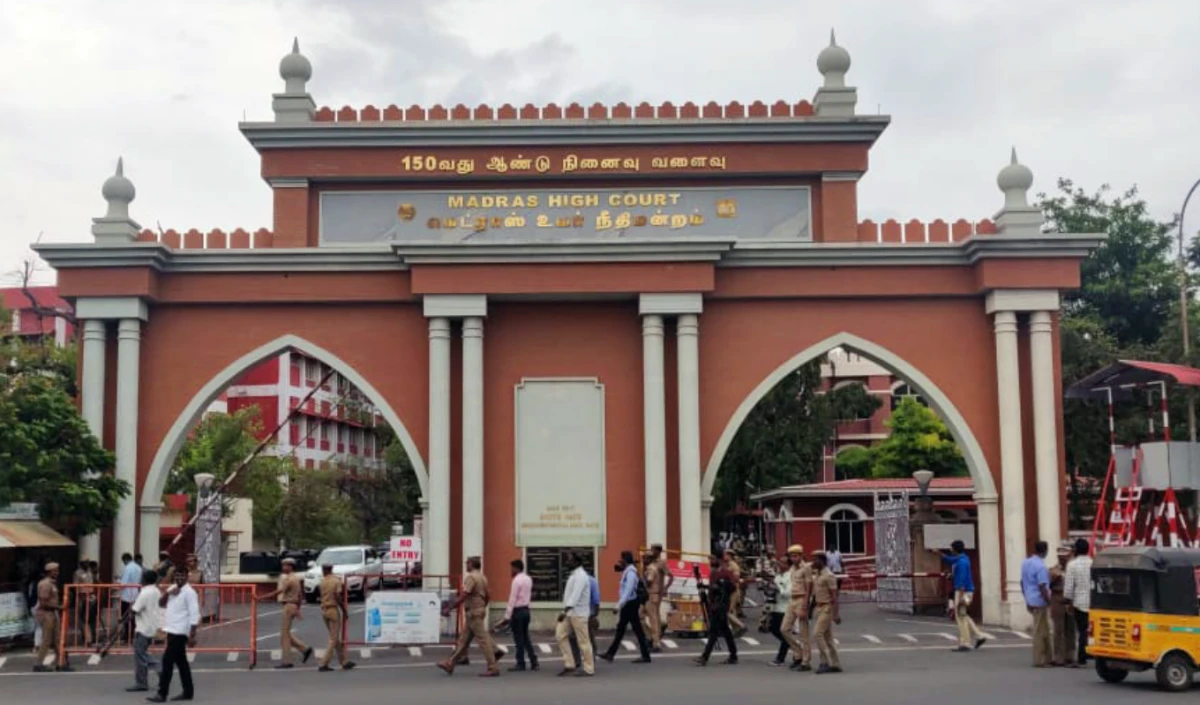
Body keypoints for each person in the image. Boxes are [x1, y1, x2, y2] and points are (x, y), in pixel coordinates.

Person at [438, 556, 501, 677]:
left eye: (467, 563)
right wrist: (482, 607)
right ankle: (450, 663)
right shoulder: (483, 577)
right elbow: (488, 595)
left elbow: (464, 595)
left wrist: (450, 607)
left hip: (473, 612)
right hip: (478, 610)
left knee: (483, 640)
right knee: (463, 640)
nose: (466, 565)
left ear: (471, 564)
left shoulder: (471, 577)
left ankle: (493, 666)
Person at [149, 569, 198, 702]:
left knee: (167, 661)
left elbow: (194, 614)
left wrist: (192, 635)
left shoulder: (190, 593)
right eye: (177, 575)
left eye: (182, 575)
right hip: (171, 630)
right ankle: (188, 692)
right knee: (182, 663)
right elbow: (161, 603)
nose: (180, 578)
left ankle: (162, 693)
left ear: (187, 577)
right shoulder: (173, 588)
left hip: (180, 631)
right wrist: (168, 592)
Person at [258, 557, 312, 668]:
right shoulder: (296, 578)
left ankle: (287, 661)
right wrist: (297, 609)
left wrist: (261, 597)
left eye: (285, 565)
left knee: (284, 636)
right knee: (286, 633)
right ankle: (304, 649)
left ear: (290, 567)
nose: (283, 568)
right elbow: (300, 595)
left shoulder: (289, 579)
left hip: (288, 606)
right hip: (292, 606)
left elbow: (279, 591)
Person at [601, 550, 651, 663]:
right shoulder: (628, 571)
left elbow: (628, 591)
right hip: (629, 604)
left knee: (631, 630)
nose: (620, 561)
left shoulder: (631, 573)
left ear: (625, 560)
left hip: (630, 604)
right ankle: (611, 653)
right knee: (625, 630)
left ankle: (645, 655)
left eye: (621, 559)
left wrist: (619, 605)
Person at [940, 540, 985, 652]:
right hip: (967, 591)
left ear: (955, 550)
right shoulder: (963, 559)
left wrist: (959, 598)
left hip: (962, 592)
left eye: (952, 549)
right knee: (963, 614)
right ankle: (979, 636)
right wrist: (939, 554)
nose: (951, 551)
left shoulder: (960, 563)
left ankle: (965, 642)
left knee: (960, 617)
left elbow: (960, 582)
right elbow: (949, 560)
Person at [555, 553, 595, 677]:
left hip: (579, 614)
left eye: (570, 561)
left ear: (577, 562)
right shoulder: (574, 575)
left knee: (583, 642)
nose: (567, 563)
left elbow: (575, 596)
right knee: (560, 635)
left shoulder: (581, 576)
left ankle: (589, 668)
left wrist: (564, 611)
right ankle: (570, 664)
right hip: (570, 613)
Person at [694, 554, 738, 666]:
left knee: (713, 631)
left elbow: (732, 588)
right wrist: (704, 587)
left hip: (721, 605)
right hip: (714, 604)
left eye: (712, 559)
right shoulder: (714, 572)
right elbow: (713, 588)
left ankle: (705, 657)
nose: (710, 561)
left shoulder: (724, 572)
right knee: (726, 631)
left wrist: (721, 588)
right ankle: (733, 655)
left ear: (718, 560)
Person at [495, 559, 536, 672]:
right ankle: (534, 661)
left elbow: (512, 599)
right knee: (526, 637)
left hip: (517, 611)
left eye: (512, 568)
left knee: (518, 638)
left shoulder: (516, 581)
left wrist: (507, 617)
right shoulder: (528, 579)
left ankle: (520, 663)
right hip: (526, 610)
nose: (511, 570)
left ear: (516, 568)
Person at [128, 569, 162, 693]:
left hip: (143, 627)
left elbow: (135, 609)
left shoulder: (145, 593)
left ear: (145, 579)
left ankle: (158, 669)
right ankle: (141, 682)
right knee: (140, 654)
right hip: (151, 625)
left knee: (140, 654)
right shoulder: (156, 591)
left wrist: (128, 614)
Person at [316, 564, 355, 672]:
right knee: (333, 639)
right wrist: (344, 609)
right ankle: (323, 663)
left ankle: (344, 662)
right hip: (333, 609)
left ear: (325, 570)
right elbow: (338, 596)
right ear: (331, 570)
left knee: (335, 637)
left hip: (324, 610)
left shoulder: (322, 581)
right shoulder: (336, 580)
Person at [33, 562, 70, 672]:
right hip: (46, 613)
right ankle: (38, 664)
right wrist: (59, 606)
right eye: (55, 571)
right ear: (49, 572)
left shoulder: (52, 583)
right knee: (47, 640)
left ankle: (61, 663)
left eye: (57, 570)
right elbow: (43, 602)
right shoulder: (46, 584)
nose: (57, 572)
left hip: (52, 613)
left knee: (57, 640)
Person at [1021, 541, 1053, 667]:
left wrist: (1026, 597)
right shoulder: (1041, 567)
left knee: (1044, 629)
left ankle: (1048, 657)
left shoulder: (1025, 563)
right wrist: (1049, 601)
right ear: (1045, 550)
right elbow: (1042, 586)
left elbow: (1021, 582)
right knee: (1039, 631)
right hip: (1040, 601)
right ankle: (1039, 659)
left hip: (1030, 599)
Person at [781, 544, 812, 671]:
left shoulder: (806, 568)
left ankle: (805, 661)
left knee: (803, 633)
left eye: (795, 556)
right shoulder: (792, 569)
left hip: (801, 599)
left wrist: (805, 606)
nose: (793, 558)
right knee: (784, 629)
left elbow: (809, 588)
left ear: (801, 556)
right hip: (792, 600)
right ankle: (798, 653)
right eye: (791, 556)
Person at [810, 551, 842, 674]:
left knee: (817, 633)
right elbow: (815, 595)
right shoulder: (818, 574)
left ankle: (825, 662)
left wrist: (836, 614)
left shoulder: (828, 575)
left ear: (822, 561)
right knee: (828, 638)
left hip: (827, 608)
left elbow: (834, 596)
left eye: (816, 559)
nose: (813, 562)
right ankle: (836, 663)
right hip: (819, 607)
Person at [1062, 538, 1092, 668]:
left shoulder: (1072, 565)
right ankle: (1089, 652)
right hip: (1092, 601)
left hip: (1079, 602)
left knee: (1082, 630)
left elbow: (1069, 585)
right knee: (1090, 629)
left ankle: (1082, 656)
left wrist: (1067, 601)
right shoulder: (1093, 563)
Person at [641, 544, 673, 652]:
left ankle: (656, 641)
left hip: (654, 593)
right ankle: (653, 637)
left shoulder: (660, 563)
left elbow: (670, 576)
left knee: (654, 618)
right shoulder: (650, 565)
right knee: (642, 616)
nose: (652, 552)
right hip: (648, 594)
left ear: (658, 551)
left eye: (653, 550)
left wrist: (665, 588)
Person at [1049, 546, 1076, 667]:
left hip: (1070, 599)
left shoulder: (1072, 569)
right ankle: (1058, 657)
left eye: (1064, 556)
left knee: (1070, 629)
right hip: (1057, 598)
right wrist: (1054, 578)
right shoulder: (1053, 570)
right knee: (1058, 629)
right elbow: (1048, 585)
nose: (1062, 559)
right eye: (1060, 557)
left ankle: (1070, 655)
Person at [767, 556, 794, 666]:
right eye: (779, 562)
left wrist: (778, 588)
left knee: (783, 632)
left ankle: (781, 657)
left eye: (783, 563)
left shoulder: (790, 576)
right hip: (776, 606)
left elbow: (788, 593)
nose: (779, 564)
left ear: (788, 565)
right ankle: (792, 644)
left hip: (786, 608)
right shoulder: (778, 576)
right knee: (773, 629)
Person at [120, 552, 144, 642]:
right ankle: (133, 635)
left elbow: (124, 583)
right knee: (134, 617)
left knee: (125, 616)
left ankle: (128, 636)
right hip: (136, 594)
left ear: (125, 560)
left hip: (127, 595)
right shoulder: (138, 567)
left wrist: (118, 581)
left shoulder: (128, 568)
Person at [73, 558, 98, 647]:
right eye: (85, 563)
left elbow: (94, 583)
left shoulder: (90, 572)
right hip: (82, 596)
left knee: (91, 619)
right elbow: (76, 586)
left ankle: (91, 637)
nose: (87, 564)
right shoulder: (78, 573)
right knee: (83, 619)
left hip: (91, 596)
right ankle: (87, 638)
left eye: (87, 562)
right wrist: (80, 595)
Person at [723, 549, 747, 636]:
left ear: (729, 556)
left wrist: (727, 578)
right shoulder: (727, 565)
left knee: (728, 611)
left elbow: (736, 578)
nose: (723, 556)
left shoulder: (733, 566)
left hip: (733, 591)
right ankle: (735, 628)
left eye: (725, 555)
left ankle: (741, 626)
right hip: (729, 590)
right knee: (731, 612)